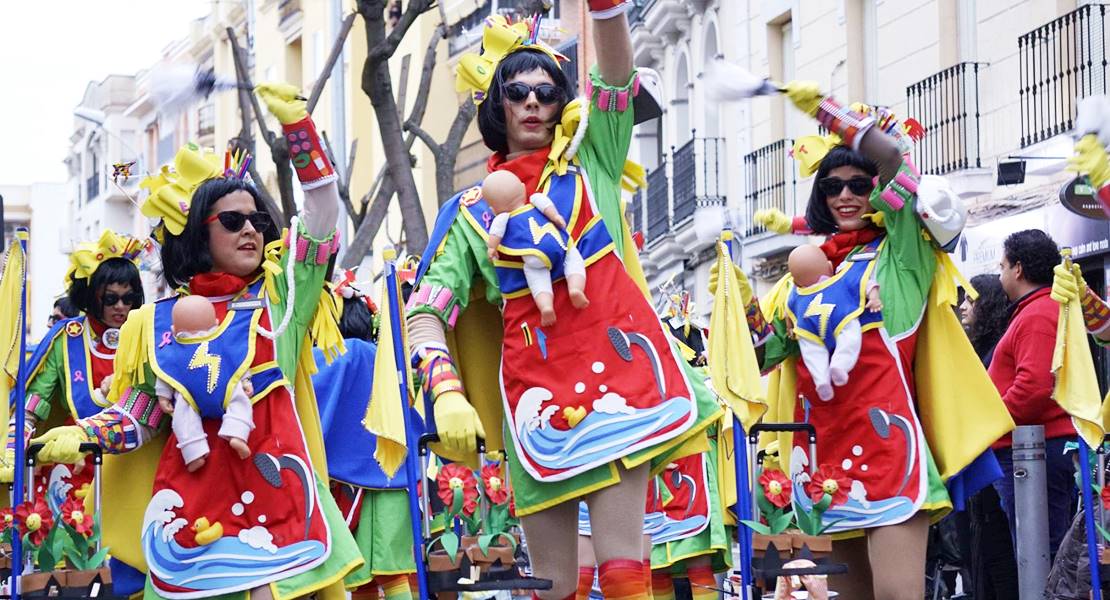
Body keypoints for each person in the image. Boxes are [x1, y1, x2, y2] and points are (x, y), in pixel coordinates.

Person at [405, 6, 722, 598]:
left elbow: (617, 78)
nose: (532, 103)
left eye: (547, 92)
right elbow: (427, 310)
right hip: (535, 403)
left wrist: (605, 9)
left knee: (627, 572)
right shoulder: (470, 214)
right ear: (496, 104)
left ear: (560, 102)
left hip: (622, 386)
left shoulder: (592, 159)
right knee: (553, 586)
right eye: (517, 91)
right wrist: (446, 388)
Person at [30, 85, 363, 599]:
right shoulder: (152, 324)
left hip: (279, 510)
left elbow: (321, 213)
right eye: (232, 221)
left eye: (257, 220)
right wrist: (87, 435)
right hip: (190, 520)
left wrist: (300, 133)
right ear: (196, 235)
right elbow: (140, 413)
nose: (250, 230)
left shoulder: (283, 300)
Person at [729, 91, 1012, 599]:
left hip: (891, 451)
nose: (845, 196)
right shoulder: (800, 274)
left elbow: (896, 163)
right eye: (833, 185)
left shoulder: (901, 255)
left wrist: (836, 120)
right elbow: (767, 354)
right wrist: (739, 304)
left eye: (859, 184)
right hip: (825, 455)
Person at [2, 229, 148, 593]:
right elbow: (34, 403)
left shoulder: (149, 333)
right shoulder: (67, 337)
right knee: (73, 572)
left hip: (136, 469)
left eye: (129, 298)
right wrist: (13, 443)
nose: (120, 307)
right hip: (76, 470)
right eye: (110, 298)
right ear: (91, 297)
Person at [311, 279, 422, 600]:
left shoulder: (328, 358)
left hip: (342, 480)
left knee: (359, 575)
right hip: (392, 475)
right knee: (390, 571)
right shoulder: (382, 357)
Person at [989, 229, 1076, 557]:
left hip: (1034, 454)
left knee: (1040, 556)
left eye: (1002, 267)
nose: (1000, 276)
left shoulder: (1038, 314)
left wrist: (988, 421)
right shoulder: (1038, 311)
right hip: (1035, 450)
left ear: (1018, 269)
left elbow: (1033, 388)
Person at [956, 274, 1019, 599]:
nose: (964, 307)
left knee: (998, 550)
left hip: (995, 458)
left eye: (970, 299)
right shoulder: (978, 346)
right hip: (983, 457)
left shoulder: (996, 348)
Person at [155, 295, 255, 472]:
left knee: (182, 418)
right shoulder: (222, 340)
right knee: (240, 402)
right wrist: (245, 380)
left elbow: (166, 373)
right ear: (216, 324)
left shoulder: (173, 349)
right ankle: (238, 433)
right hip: (224, 386)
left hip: (189, 393)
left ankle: (193, 452)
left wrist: (163, 396)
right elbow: (237, 362)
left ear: (174, 329)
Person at [483, 170, 587, 326]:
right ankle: (575, 288)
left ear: (493, 209)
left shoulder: (503, 218)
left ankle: (546, 306)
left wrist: (492, 248)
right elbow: (548, 207)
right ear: (523, 188)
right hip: (558, 243)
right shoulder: (535, 200)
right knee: (573, 260)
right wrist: (557, 217)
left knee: (537, 277)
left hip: (533, 255)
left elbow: (496, 233)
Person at [785, 243, 882, 401]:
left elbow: (788, 311)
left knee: (812, 353)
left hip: (809, 324)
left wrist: (790, 327)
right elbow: (864, 283)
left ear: (796, 282)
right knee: (849, 337)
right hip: (838, 316)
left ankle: (821, 380)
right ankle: (840, 365)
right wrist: (874, 298)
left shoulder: (796, 294)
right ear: (830, 267)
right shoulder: (842, 279)